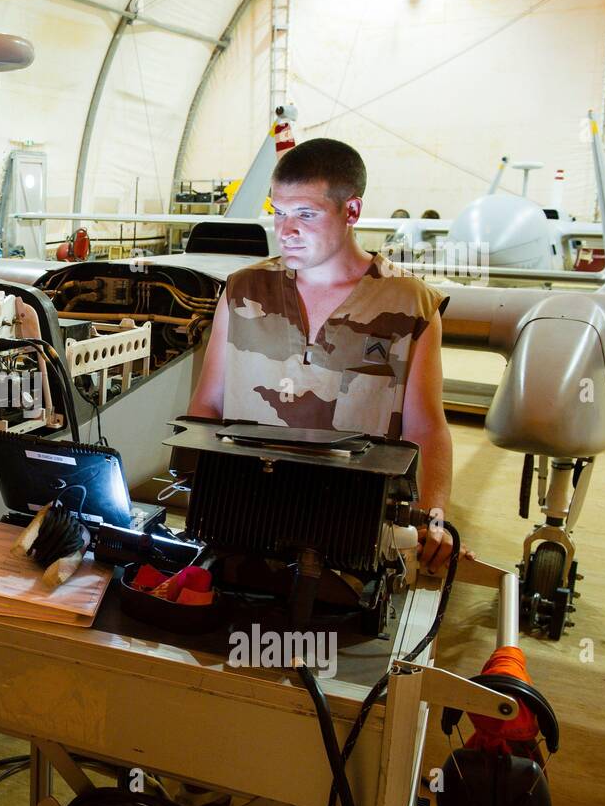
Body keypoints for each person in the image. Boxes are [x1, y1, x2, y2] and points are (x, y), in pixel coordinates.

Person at [188, 137, 460, 572]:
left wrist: (434, 515)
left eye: (306, 215)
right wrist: (195, 493)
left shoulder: (411, 306)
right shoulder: (242, 291)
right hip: (245, 516)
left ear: (351, 212)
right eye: (278, 213)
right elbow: (208, 404)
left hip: (356, 528)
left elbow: (426, 426)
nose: (285, 231)